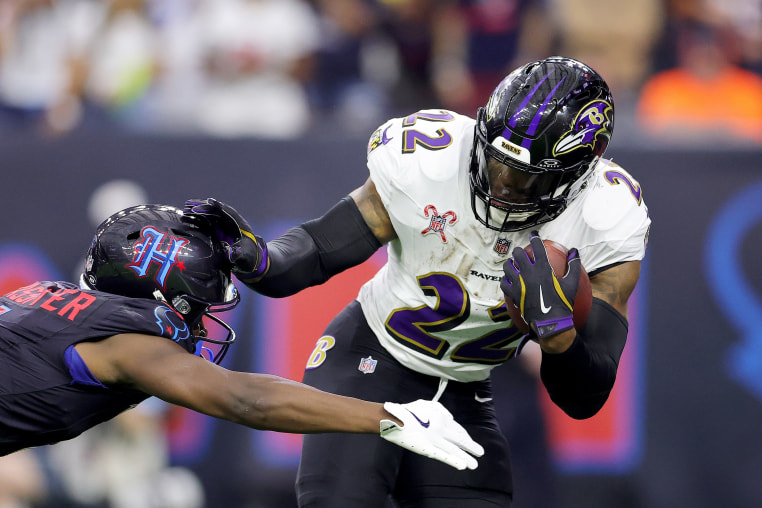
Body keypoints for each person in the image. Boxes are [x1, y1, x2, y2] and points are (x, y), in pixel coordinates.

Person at [185, 56, 651, 507]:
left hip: (467, 390)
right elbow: (322, 247)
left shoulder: (607, 217)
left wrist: (557, 332)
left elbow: (584, 397)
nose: (502, 185)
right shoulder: (433, 158)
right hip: (368, 360)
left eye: (525, 179)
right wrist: (260, 259)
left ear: (579, 173)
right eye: (494, 162)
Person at [0, 203, 484, 475]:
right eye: (201, 304)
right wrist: (387, 417)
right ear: (161, 291)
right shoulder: (126, 341)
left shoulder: (45, 297)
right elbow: (245, 399)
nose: (203, 320)